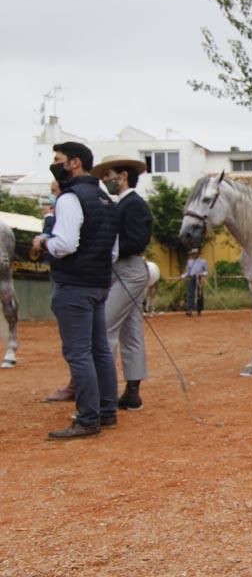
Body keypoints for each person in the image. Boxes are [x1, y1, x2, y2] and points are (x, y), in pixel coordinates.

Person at [36, 142, 119, 439]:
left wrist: (44, 243)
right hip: (99, 283)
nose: (55, 164)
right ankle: (107, 411)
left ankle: (87, 418)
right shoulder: (105, 198)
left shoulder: (70, 198)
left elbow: (66, 244)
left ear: (74, 163)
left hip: (74, 285)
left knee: (79, 353)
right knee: (100, 350)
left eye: (58, 160)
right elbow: (113, 251)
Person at [94, 155, 152, 410]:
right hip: (127, 270)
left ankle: (102, 392)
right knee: (131, 332)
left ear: (124, 176)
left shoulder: (133, 205)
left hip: (129, 270)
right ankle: (132, 391)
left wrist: (107, 248)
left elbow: (137, 241)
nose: (105, 180)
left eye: (108, 175)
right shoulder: (123, 204)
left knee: (105, 328)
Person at [181, 248, 208, 316]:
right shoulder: (189, 261)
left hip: (199, 279)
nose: (194, 255)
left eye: (195, 253)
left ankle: (199, 309)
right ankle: (189, 309)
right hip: (191, 278)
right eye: (193, 254)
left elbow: (206, 271)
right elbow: (187, 272)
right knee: (190, 293)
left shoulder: (203, 261)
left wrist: (202, 274)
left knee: (200, 294)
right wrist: (183, 276)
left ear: (198, 254)